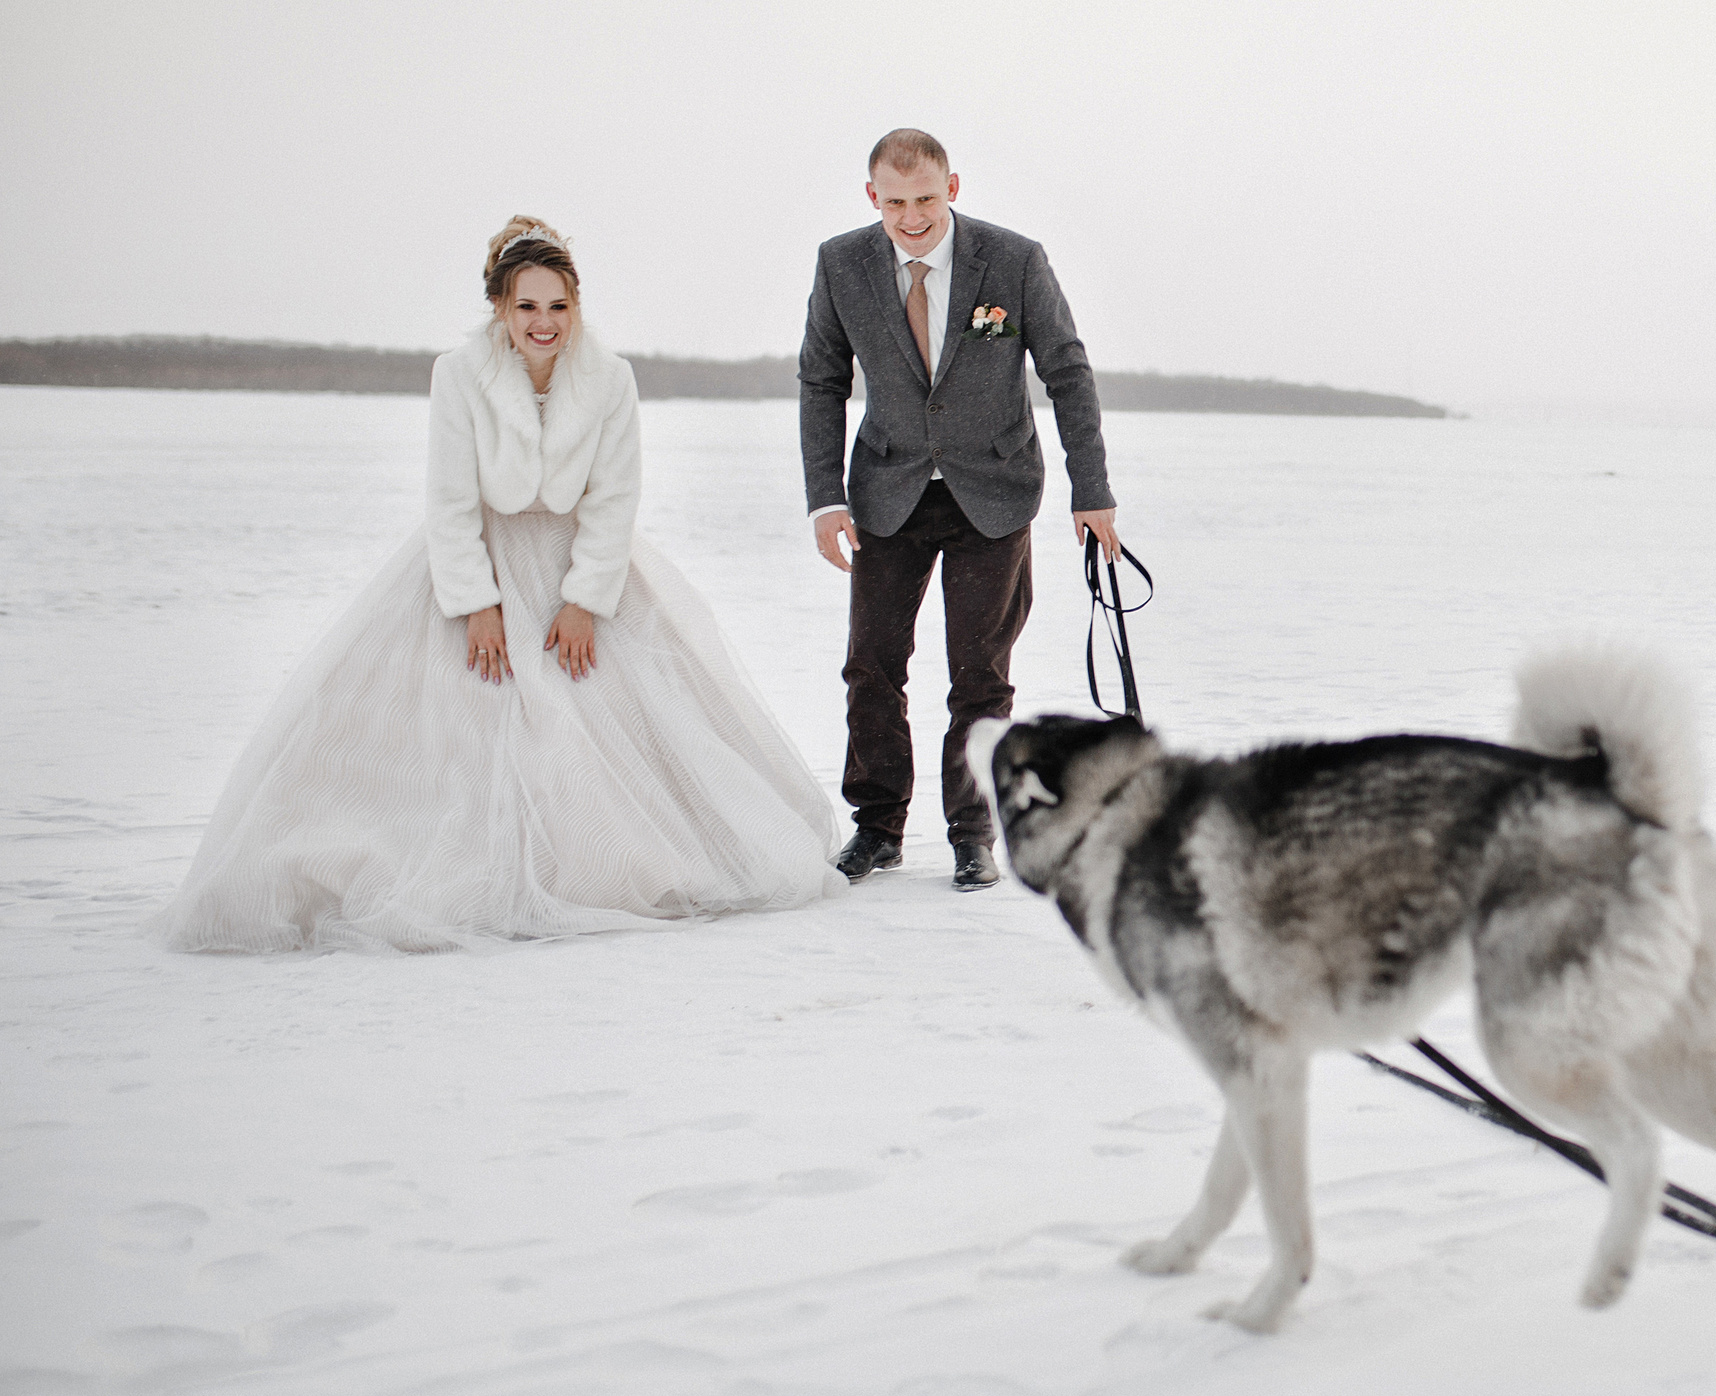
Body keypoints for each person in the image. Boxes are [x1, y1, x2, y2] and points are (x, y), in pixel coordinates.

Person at [152, 217, 845, 952]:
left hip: (581, 562)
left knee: (611, 721)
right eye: (527, 306)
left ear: (576, 305)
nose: (544, 323)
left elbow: (614, 497)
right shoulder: (459, 373)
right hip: (479, 559)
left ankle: (598, 866)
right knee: (465, 723)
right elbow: (449, 500)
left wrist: (585, 600)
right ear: (499, 308)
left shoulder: (609, 377)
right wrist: (477, 604)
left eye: (559, 306)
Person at [799, 127, 1120, 892]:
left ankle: (973, 835)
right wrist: (825, 498)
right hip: (888, 492)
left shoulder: (1013, 259)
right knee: (872, 666)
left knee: (980, 676)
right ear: (872, 196)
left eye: (925, 198)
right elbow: (821, 380)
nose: (912, 217)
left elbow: (1067, 371)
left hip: (994, 492)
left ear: (952, 188)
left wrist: (1092, 490)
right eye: (894, 202)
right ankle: (877, 827)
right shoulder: (841, 263)